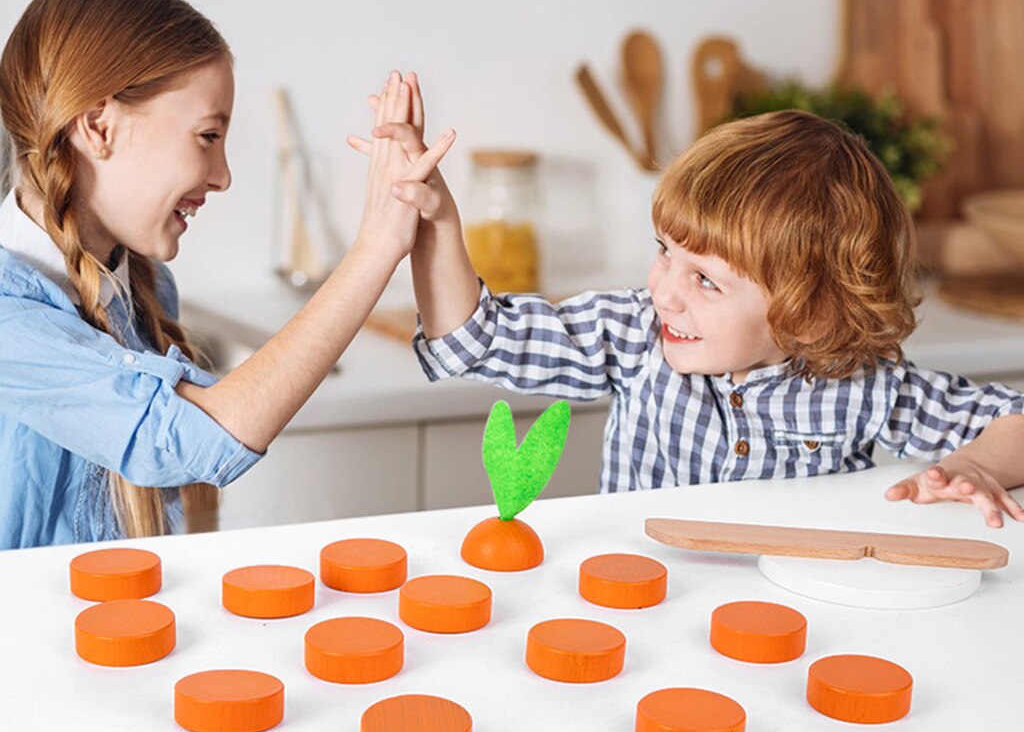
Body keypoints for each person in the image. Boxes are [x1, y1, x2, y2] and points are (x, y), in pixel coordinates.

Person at [354, 77, 1024, 528]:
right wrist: (438, 221)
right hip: (642, 610)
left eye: (706, 280)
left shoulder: (863, 383)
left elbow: (1014, 420)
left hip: (786, 626)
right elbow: (470, 341)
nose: (664, 289)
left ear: (813, 312)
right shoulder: (635, 336)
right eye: (664, 251)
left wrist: (976, 463)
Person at [0, 0, 454, 549]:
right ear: (99, 126)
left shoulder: (144, 286)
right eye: (208, 137)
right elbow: (190, 440)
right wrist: (376, 247)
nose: (223, 176)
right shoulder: (12, 320)